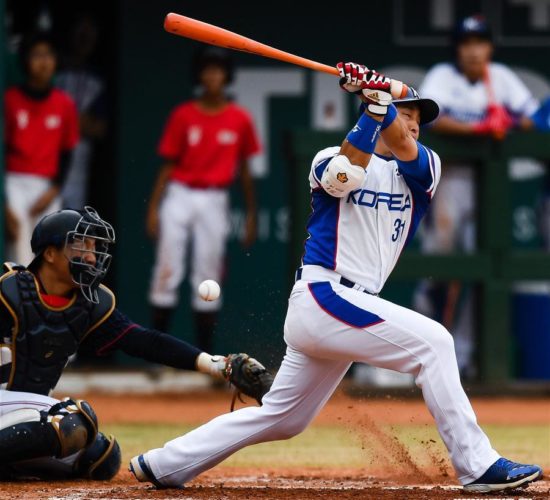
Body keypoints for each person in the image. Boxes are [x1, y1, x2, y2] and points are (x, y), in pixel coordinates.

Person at [129, 62, 542, 493]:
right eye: (409, 114)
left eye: (420, 119)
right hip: (324, 294)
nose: (415, 126)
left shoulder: (425, 170)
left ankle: (164, 464)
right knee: (435, 343)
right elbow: (344, 176)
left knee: (284, 418)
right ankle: (477, 465)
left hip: (348, 308)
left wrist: (382, 106)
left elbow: (402, 144)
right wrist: (373, 109)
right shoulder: (328, 158)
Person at [0, 206, 273, 481]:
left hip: (21, 416)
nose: (91, 256)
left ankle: (9, 464)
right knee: (75, 420)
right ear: (49, 253)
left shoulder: (88, 304)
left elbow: (144, 341)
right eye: (80, 245)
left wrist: (218, 365)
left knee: (100, 456)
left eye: (94, 247)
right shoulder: (9, 292)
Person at [415, 14, 542, 376]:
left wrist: (512, 122)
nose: (473, 51)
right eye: (466, 44)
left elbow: (532, 117)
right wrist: (480, 127)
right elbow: (433, 117)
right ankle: (424, 318)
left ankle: (464, 355)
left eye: (480, 43)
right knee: (440, 256)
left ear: (489, 48)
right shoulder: (443, 75)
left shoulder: (499, 78)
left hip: (488, 186)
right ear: (457, 49)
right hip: (452, 178)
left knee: (480, 269)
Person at [147, 47, 260, 353]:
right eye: (207, 70)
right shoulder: (183, 115)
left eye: (218, 70)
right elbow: (168, 164)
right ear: (199, 75)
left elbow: (246, 171)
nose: (212, 76)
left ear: (227, 76)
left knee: (208, 273)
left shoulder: (239, 118)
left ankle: (204, 356)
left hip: (215, 198)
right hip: (180, 194)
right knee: (167, 268)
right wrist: (154, 207)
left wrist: (251, 213)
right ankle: (157, 351)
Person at [4, 32, 79, 267]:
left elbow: (67, 154)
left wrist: (53, 190)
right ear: (26, 61)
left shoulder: (64, 103)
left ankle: (42, 304)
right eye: (37, 55)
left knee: (49, 252)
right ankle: (16, 302)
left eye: (48, 55)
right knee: (19, 252)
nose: (44, 61)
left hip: (47, 187)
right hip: (14, 182)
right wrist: (4, 202)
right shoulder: (10, 100)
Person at [57, 13, 107, 210]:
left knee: (72, 218)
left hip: (79, 155)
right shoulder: (56, 72)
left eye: (89, 34)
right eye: (80, 33)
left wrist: (70, 122)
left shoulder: (95, 79)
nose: (84, 39)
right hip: (50, 151)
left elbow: (100, 128)